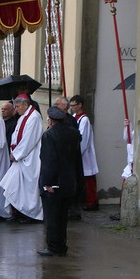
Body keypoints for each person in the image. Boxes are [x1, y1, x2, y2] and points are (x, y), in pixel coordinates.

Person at [38, 106, 83, 256]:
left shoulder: (49, 135)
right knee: (63, 217)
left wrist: (48, 183)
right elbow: (77, 159)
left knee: (52, 217)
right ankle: (62, 245)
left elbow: (49, 161)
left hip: (55, 182)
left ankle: (53, 246)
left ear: (50, 120)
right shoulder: (74, 134)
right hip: (69, 181)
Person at [0, 94, 44, 222]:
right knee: (13, 185)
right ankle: (18, 212)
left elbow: (29, 140)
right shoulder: (23, 117)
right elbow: (16, 136)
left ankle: (32, 214)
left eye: (17, 106)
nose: (16, 109)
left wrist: (16, 154)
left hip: (30, 158)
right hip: (21, 158)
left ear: (25, 104)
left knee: (28, 189)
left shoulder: (34, 117)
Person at [69, 94, 99, 211]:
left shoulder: (84, 120)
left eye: (74, 105)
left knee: (88, 179)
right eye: (70, 106)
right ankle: (83, 200)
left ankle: (92, 201)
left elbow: (83, 139)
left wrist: (77, 153)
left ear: (80, 105)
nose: (72, 108)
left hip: (84, 155)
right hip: (76, 153)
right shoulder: (74, 117)